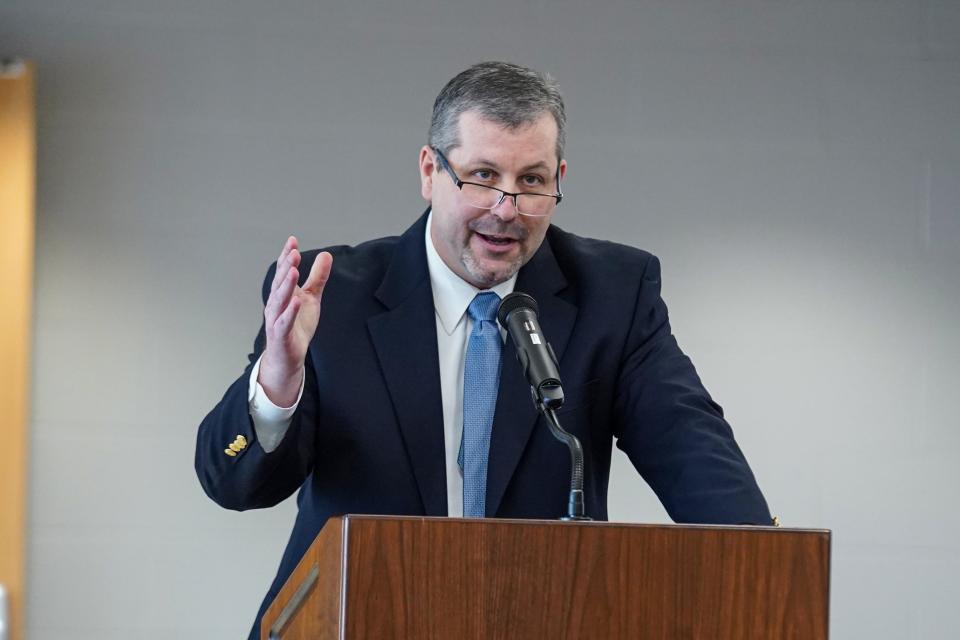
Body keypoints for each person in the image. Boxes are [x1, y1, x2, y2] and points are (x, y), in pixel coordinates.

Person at [195, 61, 772, 639]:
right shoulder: (334, 297)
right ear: (430, 170)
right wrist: (278, 378)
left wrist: (765, 571)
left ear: (559, 178)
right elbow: (235, 485)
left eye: (531, 181)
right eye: (482, 175)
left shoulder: (613, 296)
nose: (507, 208)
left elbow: (689, 442)